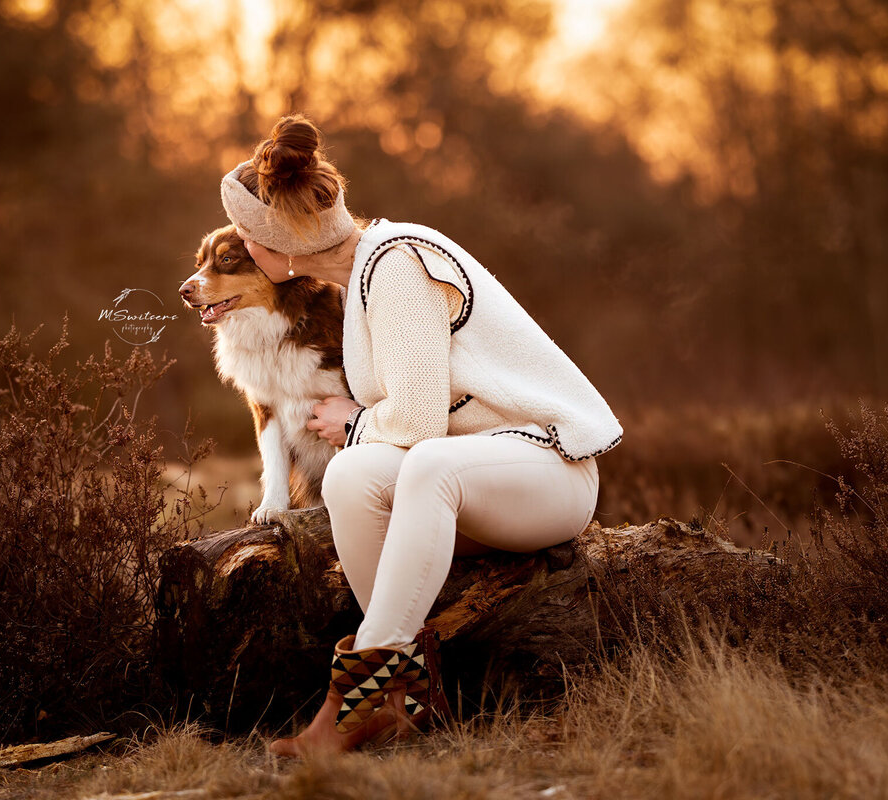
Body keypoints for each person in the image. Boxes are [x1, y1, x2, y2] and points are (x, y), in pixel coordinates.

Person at [219, 114, 624, 757]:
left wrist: (353, 422)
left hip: (549, 470)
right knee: (352, 474)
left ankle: (350, 705)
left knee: (425, 461)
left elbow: (418, 423)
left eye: (245, 234)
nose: (238, 244)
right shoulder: (357, 279)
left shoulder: (398, 265)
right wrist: (358, 432)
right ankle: (403, 701)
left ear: (280, 247)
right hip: (476, 484)